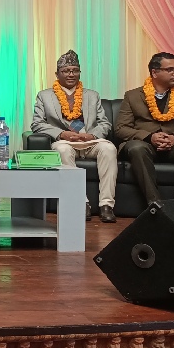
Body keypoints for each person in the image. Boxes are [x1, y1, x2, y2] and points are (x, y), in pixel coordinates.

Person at [31, 50, 117, 222]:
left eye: (75, 70)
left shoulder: (92, 95)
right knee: (62, 150)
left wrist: (92, 135)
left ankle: (106, 205)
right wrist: (62, 133)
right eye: (66, 71)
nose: (71, 74)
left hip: (90, 141)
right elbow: (37, 124)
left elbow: (105, 123)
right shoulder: (45, 96)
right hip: (64, 142)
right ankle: (80, 202)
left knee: (109, 148)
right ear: (57, 74)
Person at [114, 52, 174, 205]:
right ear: (154, 72)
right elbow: (121, 128)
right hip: (145, 146)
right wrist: (149, 137)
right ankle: (155, 204)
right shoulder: (133, 96)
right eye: (170, 69)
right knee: (137, 148)